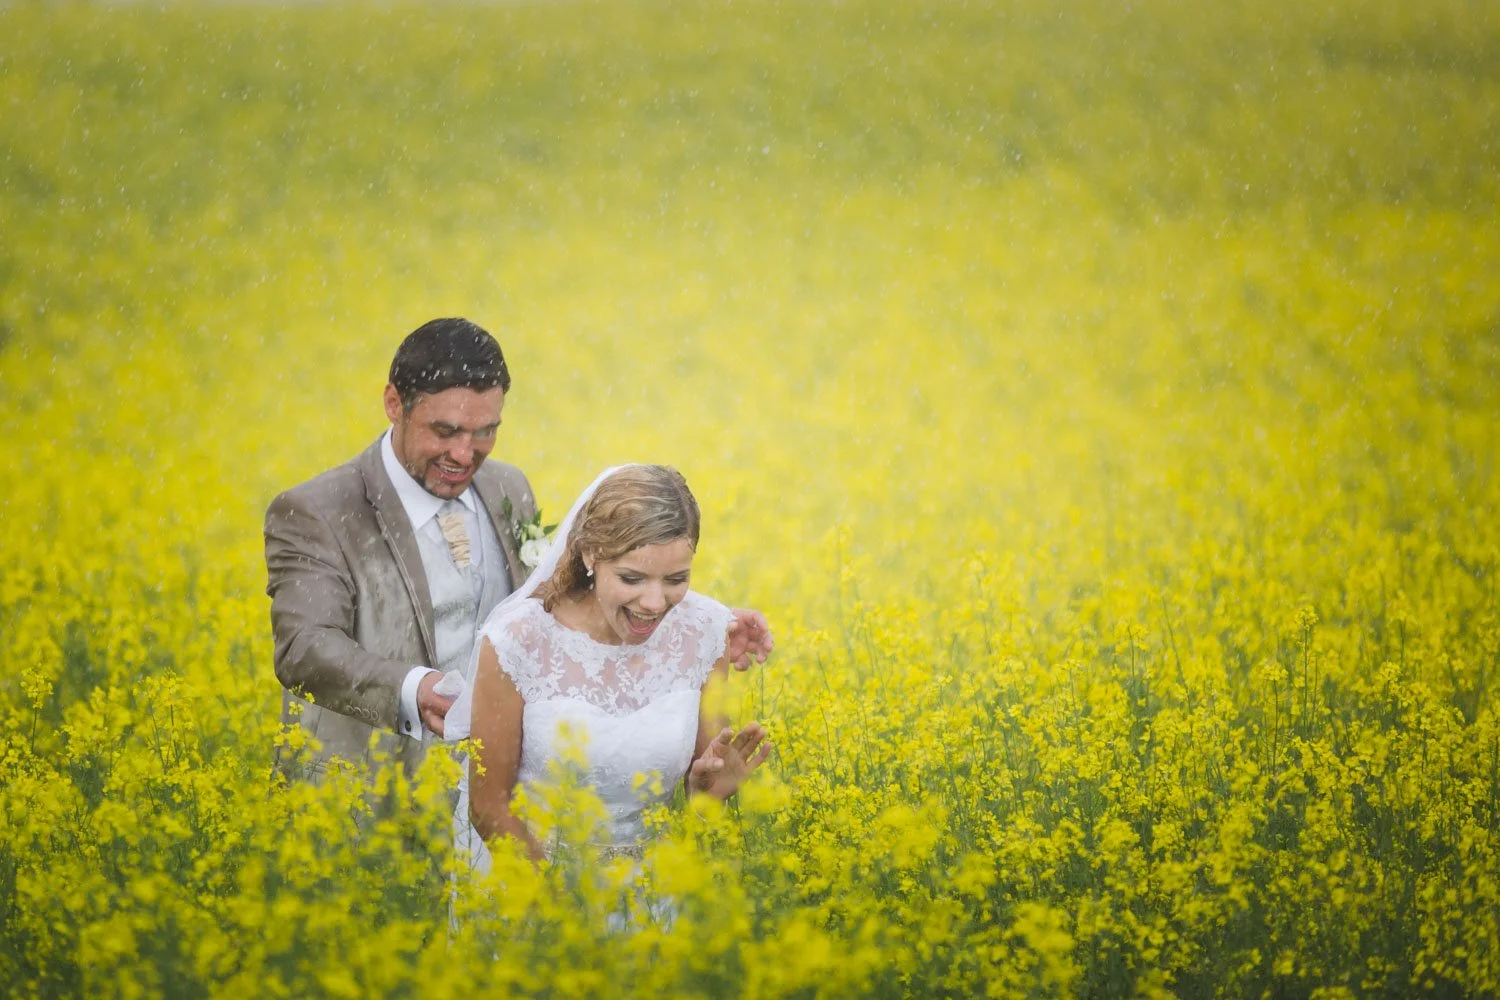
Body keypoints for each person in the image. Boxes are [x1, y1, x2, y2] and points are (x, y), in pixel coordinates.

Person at [265, 319, 773, 779]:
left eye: (486, 431)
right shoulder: (317, 511)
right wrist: (411, 690)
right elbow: (304, 648)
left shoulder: (507, 488)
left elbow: (564, 595)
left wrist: (693, 632)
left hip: (492, 788)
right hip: (366, 792)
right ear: (394, 404)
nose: (465, 454)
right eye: (446, 431)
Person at [446, 464, 770, 872]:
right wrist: (558, 906)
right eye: (632, 578)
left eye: (677, 578)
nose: (654, 602)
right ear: (589, 555)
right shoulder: (516, 640)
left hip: (652, 896)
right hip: (532, 887)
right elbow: (489, 804)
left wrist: (707, 795)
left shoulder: (705, 630)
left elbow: (702, 792)